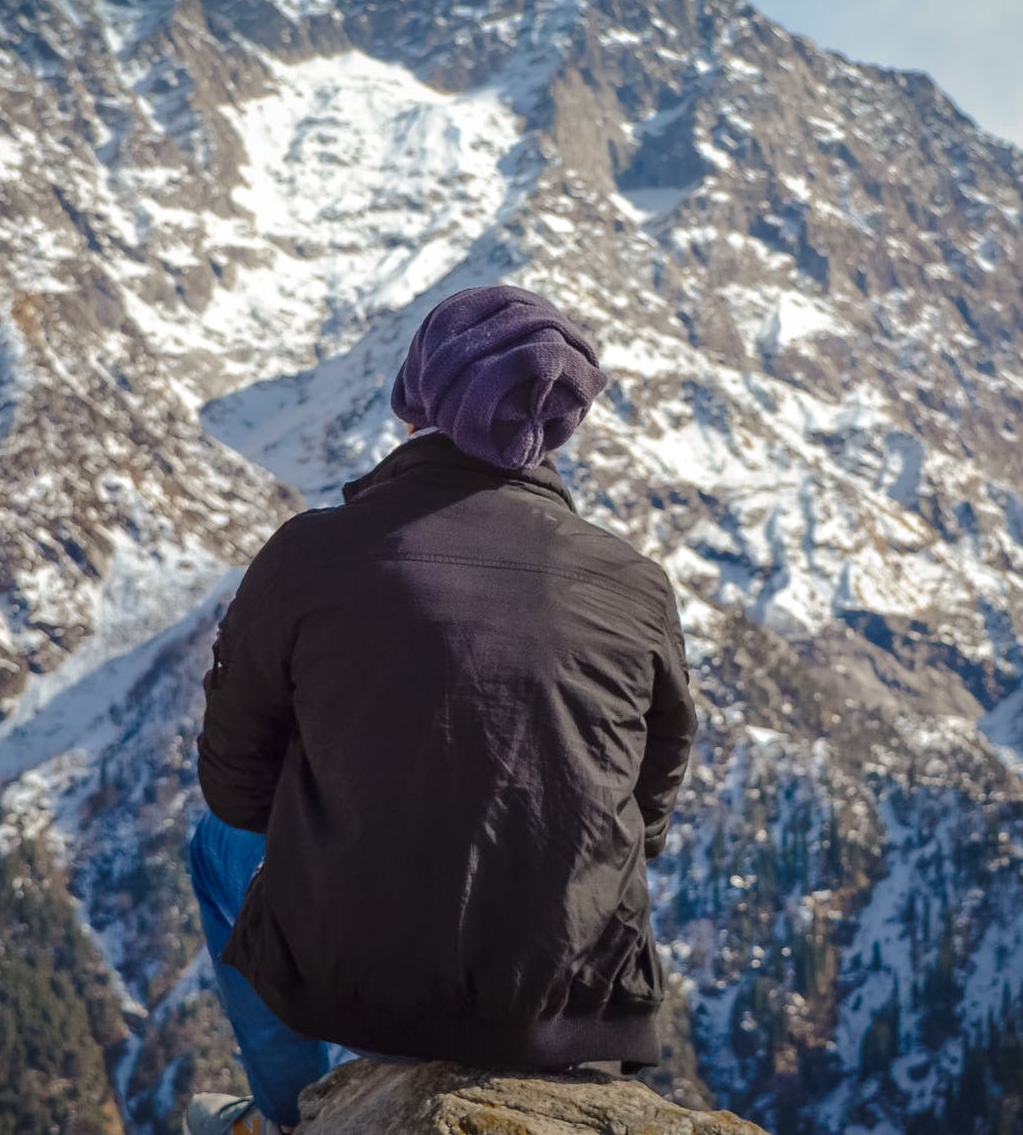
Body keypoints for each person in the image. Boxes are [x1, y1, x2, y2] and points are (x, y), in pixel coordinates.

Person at [184, 284, 698, 1135]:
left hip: (353, 985)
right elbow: (643, 819)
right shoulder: (635, 584)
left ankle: (290, 1117)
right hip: (567, 1000)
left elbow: (236, 790)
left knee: (218, 845)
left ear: (416, 401)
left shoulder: (311, 552)